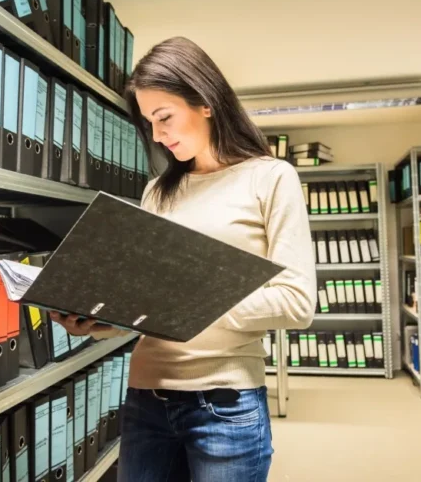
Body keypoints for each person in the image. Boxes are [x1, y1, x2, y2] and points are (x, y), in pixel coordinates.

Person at [50, 36, 316, 482]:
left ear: (205, 102)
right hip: (145, 399)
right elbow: (150, 306)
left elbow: (296, 302)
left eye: (164, 117)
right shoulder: (158, 191)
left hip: (224, 404)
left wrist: (188, 298)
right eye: (149, 123)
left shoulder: (270, 178)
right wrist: (101, 319)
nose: (157, 135)